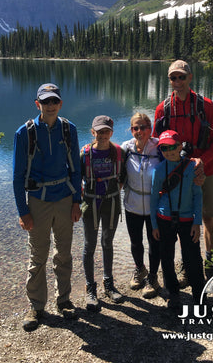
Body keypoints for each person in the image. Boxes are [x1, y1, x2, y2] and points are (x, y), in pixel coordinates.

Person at [13, 83, 82, 332]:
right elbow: (17, 177)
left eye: (54, 101)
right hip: (38, 201)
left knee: (63, 253)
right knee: (38, 256)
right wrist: (23, 211)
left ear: (60, 104)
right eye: (45, 102)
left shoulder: (68, 129)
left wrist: (77, 202)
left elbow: (76, 168)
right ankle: (36, 306)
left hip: (64, 199)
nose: (50, 105)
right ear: (37, 104)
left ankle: (63, 300)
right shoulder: (25, 133)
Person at [153, 60, 213, 280]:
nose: (177, 82)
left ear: (190, 78)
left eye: (181, 77)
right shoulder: (163, 109)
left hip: (206, 170)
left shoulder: (206, 106)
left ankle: (209, 260)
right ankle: (187, 264)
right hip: (177, 174)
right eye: (173, 78)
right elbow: (157, 143)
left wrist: (200, 161)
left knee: (207, 216)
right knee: (181, 218)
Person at [150, 130, 205, 308]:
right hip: (164, 218)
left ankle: (199, 295)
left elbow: (198, 195)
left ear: (180, 146)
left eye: (172, 146)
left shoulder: (192, 167)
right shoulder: (158, 170)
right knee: (166, 258)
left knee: (193, 258)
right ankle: (173, 294)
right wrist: (153, 225)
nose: (169, 151)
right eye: (164, 148)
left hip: (188, 220)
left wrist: (197, 222)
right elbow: (153, 199)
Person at [80, 115, 126, 311]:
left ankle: (109, 284)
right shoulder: (85, 154)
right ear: (93, 132)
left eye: (106, 131)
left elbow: (123, 175)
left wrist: (115, 189)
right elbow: (77, 178)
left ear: (111, 133)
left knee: (107, 243)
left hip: (111, 203)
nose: (103, 135)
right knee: (89, 245)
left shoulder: (119, 152)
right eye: (100, 131)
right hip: (90, 203)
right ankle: (91, 288)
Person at [121, 113, 162, 298]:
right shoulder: (125, 148)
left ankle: (153, 277)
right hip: (133, 205)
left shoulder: (159, 147)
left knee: (155, 242)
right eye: (136, 128)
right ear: (131, 130)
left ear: (150, 128)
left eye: (144, 127)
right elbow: (115, 170)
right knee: (136, 242)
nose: (140, 131)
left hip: (155, 207)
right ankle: (140, 269)